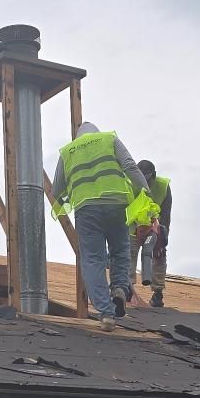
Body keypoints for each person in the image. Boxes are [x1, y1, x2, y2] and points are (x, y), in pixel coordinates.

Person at [51, 120, 150, 326]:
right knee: (120, 251)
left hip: (87, 211)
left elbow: (56, 189)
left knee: (93, 260)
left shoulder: (68, 152)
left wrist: (73, 188)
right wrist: (145, 192)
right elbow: (130, 166)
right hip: (116, 204)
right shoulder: (109, 139)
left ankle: (106, 314)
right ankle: (120, 289)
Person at [131, 159, 172, 309]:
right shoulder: (130, 183)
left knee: (159, 255)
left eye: (147, 179)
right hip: (133, 226)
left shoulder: (163, 187)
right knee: (129, 252)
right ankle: (127, 288)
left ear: (153, 175)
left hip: (154, 226)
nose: (143, 183)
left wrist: (163, 233)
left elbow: (166, 213)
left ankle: (158, 293)